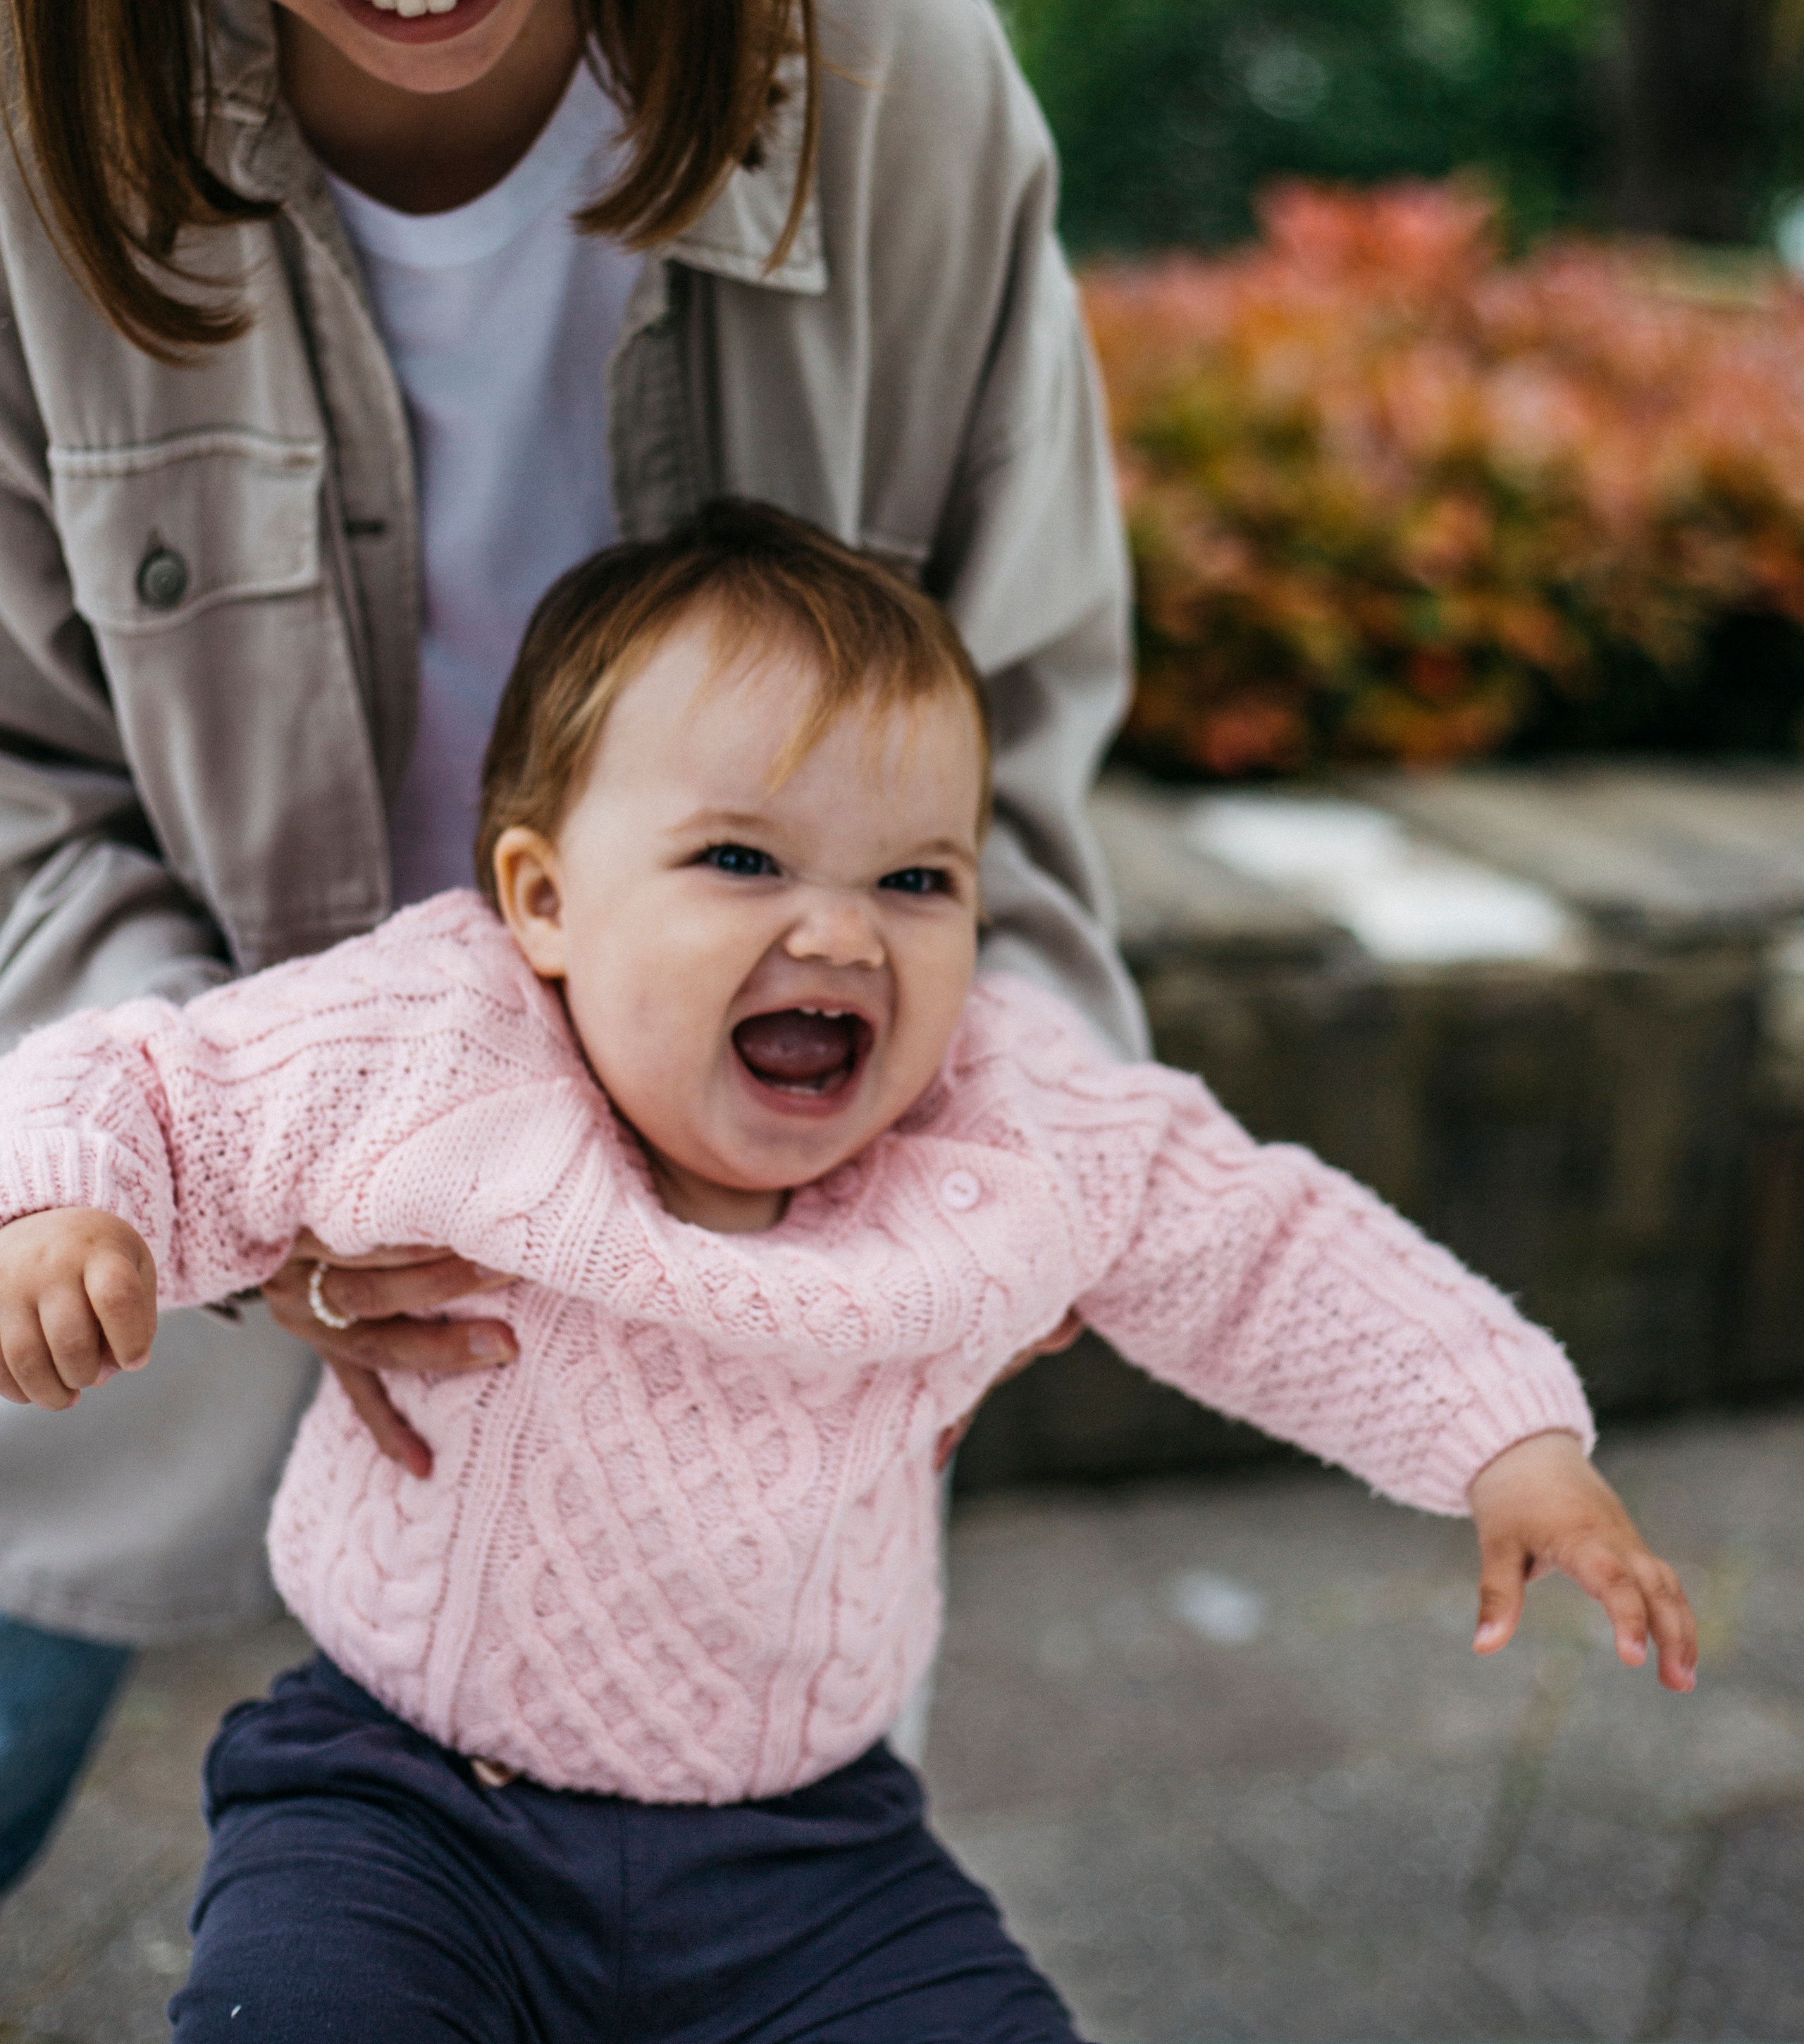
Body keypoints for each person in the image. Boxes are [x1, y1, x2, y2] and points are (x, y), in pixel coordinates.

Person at [0, 0, 1147, 1885]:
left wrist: (995, 1180)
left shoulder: (901, 80)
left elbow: (1022, 743)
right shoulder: (15, 124)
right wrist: (234, 1179)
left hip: (712, 1307)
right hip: (123, 1230)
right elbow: (10, 787)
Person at [0, 502, 1697, 2043]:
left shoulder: (1003, 1121)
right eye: (740, 860)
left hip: (807, 1852)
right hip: (407, 1804)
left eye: (914, 878)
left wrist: (1500, 1432)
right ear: (542, 902)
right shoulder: (434, 1044)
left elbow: (1256, 1238)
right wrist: (76, 1210)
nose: (837, 931)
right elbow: (161, 1087)